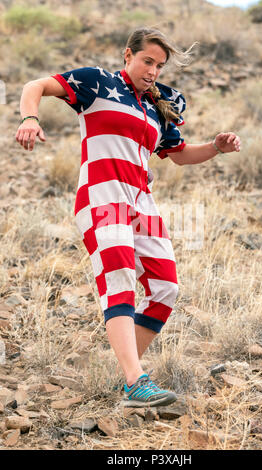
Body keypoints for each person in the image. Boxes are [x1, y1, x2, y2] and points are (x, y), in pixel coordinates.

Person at [16, 27, 241, 408]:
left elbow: (180, 154)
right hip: (102, 195)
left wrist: (215, 148)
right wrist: (30, 118)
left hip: (142, 203)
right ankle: (136, 381)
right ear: (128, 55)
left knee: (165, 288)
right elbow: (34, 85)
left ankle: (122, 372)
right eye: (147, 61)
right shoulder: (97, 83)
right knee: (119, 279)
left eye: (160, 65)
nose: (153, 71)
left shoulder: (157, 107)